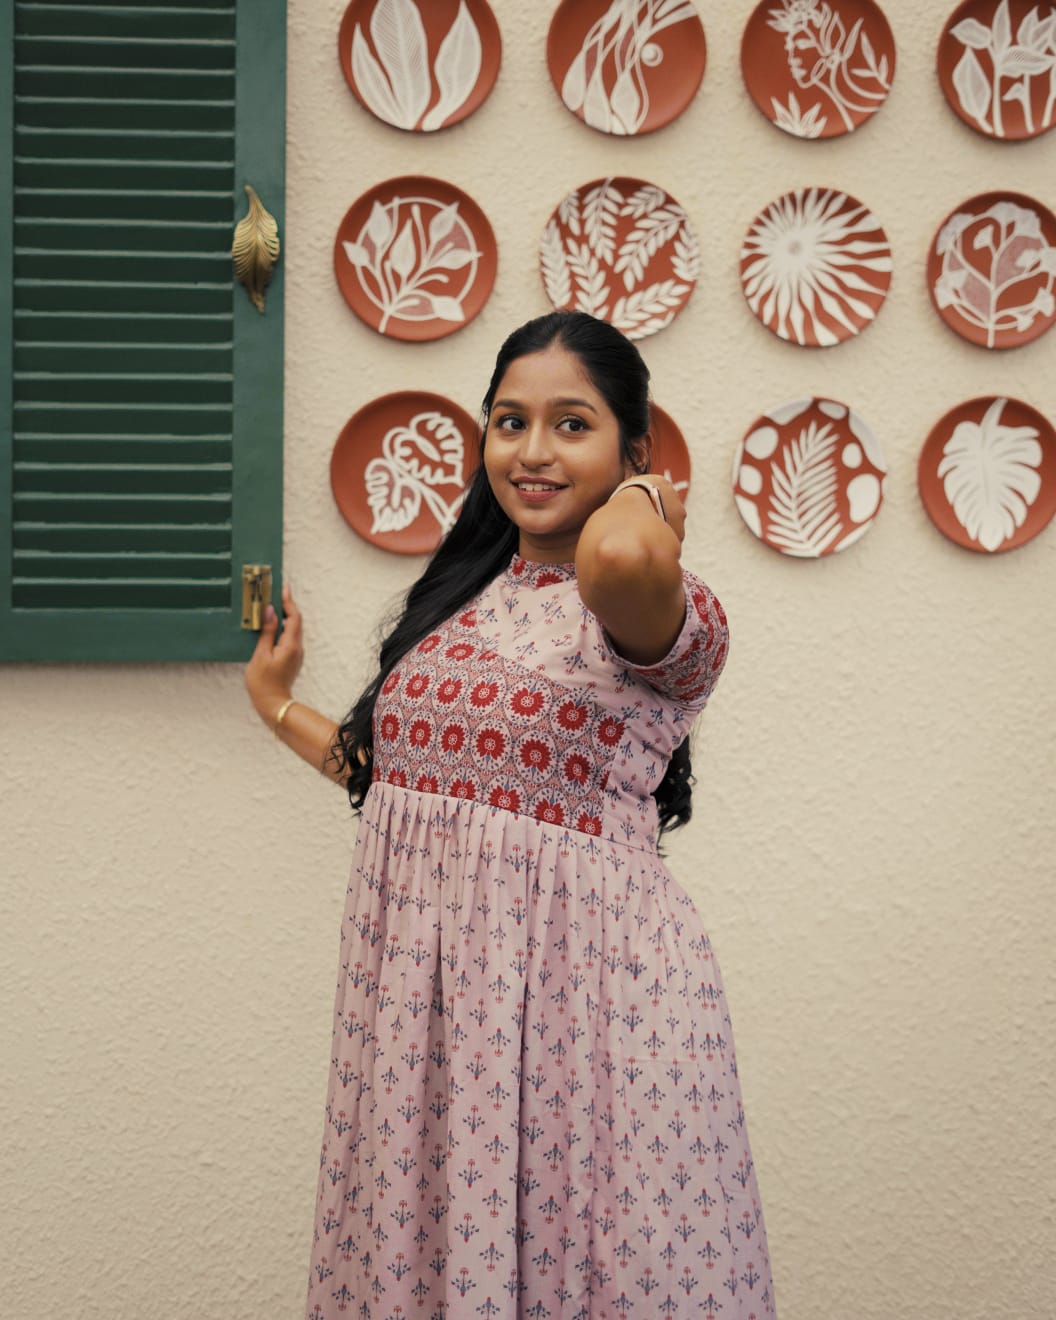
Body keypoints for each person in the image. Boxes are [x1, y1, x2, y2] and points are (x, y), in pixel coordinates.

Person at [245, 311, 776, 1318]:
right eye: (508, 422)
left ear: (634, 446)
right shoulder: (464, 595)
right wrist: (276, 706)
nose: (531, 452)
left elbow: (620, 556)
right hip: (436, 1034)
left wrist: (645, 500)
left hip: (590, 1022)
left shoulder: (650, 601)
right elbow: (402, 785)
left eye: (572, 424)